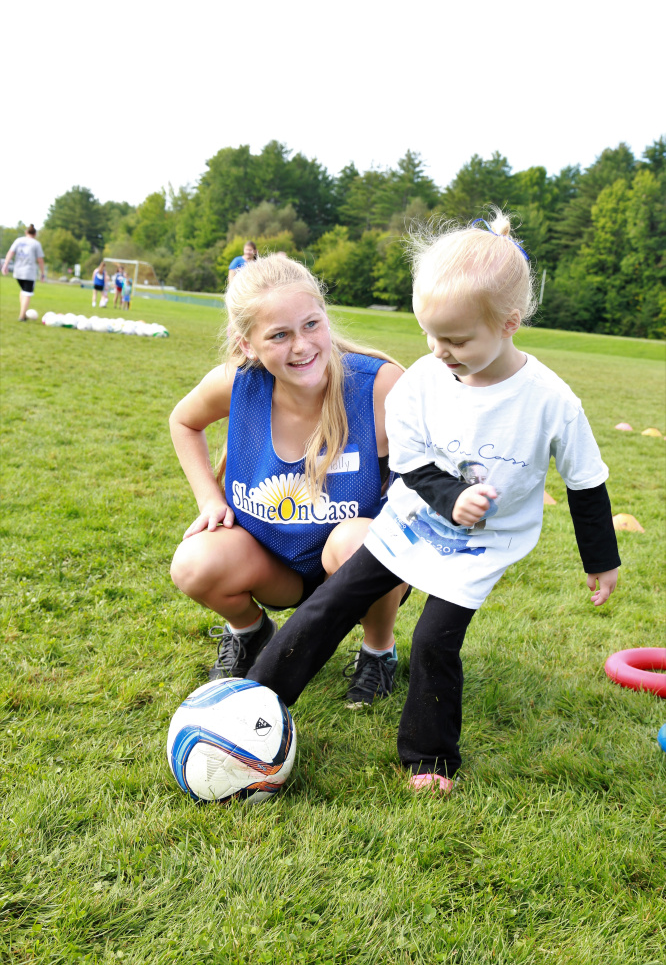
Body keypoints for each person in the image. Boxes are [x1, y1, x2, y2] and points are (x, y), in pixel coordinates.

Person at [247, 212, 621, 794]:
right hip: (412, 518)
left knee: (434, 640)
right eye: (429, 334)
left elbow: (586, 483)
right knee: (333, 601)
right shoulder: (422, 379)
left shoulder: (551, 402)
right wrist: (452, 498)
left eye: (456, 339)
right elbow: (413, 463)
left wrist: (601, 560)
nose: (438, 351)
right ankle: (254, 696)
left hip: (482, 545)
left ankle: (429, 757)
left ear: (509, 324)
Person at [170, 254, 407, 703]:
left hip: (359, 566)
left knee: (356, 543)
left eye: (312, 325)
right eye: (279, 335)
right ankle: (250, 630)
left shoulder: (380, 386)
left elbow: (437, 464)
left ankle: (378, 650)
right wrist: (209, 499)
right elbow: (183, 422)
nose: (302, 346)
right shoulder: (236, 384)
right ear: (247, 345)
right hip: (274, 562)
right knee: (192, 563)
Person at [2, 224, 45, 320]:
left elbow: (10, 252)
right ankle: (22, 316)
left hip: (18, 272)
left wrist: (5, 265)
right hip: (28, 272)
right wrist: (42, 273)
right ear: (35, 234)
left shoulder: (18, 240)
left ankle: (23, 312)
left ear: (26, 232)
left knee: (23, 291)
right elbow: (40, 260)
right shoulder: (36, 243)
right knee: (27, 293)